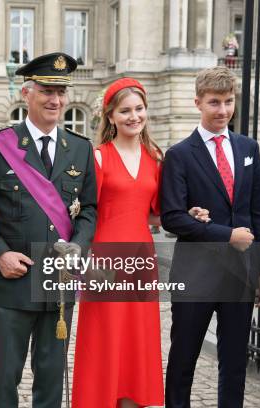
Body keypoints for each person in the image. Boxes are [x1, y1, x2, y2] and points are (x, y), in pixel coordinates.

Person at [0, 52, 98, 407]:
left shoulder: (80, 149)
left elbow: (90, 209)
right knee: (6, 380)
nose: (55, 100)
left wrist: (79, 247)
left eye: (61, 93)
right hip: (11, 282)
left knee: (51, 379)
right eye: (46, 91)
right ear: (27, 93)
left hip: (58, 279)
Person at [161, 66, 260, 408]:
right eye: (214, 102)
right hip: (195, 273)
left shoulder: (248, 148)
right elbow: (172, 217)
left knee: (234, 362)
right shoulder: (179, 154)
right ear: (198, 102)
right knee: (183, 359)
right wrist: (227, 235)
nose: (223, 110)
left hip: (240, 274)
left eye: (228, 102)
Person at [71, 78, 168, 408]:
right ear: (110, 116)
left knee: (136, 341)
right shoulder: (98, 157)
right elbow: (86, 214)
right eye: (125, 111)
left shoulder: (155, 157)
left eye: (139, 109)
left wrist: (190, 215)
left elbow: (155, 215)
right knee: (105, 339)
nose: (133, 116)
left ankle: (132, 401)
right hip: (105, 261)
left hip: (141, 259)